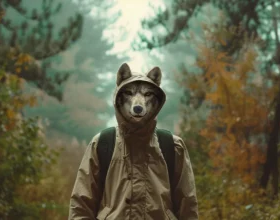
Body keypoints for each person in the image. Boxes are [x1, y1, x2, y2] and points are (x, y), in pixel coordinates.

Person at [69, 63, 198, 219]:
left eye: (147, 94)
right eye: (129, 93)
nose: (138, 102)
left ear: (157, 100)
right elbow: (81, 205)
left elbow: (188, 208)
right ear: (119, 97)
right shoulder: (102, 143)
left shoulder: (172, 146)